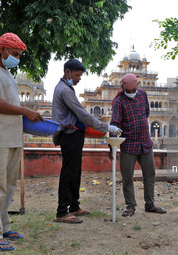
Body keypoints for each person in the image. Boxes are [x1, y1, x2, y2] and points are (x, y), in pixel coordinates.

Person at [0, 33, 43, 251]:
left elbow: (12, 108)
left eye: (19, 55)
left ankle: (3, 227)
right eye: (14, 54)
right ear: (2, 50)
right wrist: (26, 111)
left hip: (13, 137)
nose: (17, 58)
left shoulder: (6, 73)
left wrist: (32, 121)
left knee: (8, 186)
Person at [52, 59, 121, 224]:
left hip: (73, 133)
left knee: (75, 171)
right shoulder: (65, 90)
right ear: (68, 72)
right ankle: (62, 211)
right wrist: (106, 127)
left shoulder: (66, 88)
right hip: (69, 134)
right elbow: (83, 114)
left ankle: (74, 206)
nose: (79, 78)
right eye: (77, 75)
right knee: (69, 172)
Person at [110, 73, 166, 217]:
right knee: (127, 177)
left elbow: (146, 113)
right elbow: (115, 123)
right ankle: (130, 206)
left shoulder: (142, 95)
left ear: (137, 86)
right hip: (128, 145)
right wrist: (112, 146)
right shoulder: (119, 102)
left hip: (145, 143)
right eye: (128, 91)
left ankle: (150, 204)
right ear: (123, 88)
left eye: (133, 90)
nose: (131, 93)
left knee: (150, 175)